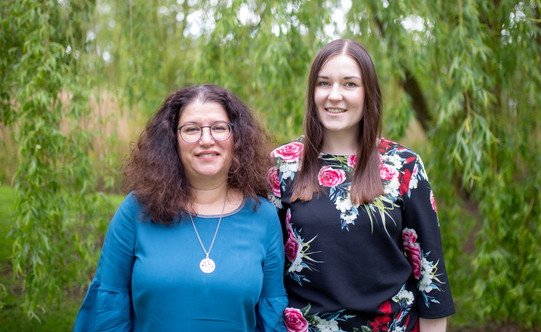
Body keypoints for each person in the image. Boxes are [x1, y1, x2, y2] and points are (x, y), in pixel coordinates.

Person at [268, 39, 455, 331]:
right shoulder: (282, 166)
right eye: (324, 83)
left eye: (350, 84)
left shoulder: (403, 167)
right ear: (312, 92)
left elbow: (431, 279)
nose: (334, 95)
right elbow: (267, 274)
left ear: (368, 92)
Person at [74, 84, 287, 331]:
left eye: (219, 128)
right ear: (172, 140)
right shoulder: (136, 210)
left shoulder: (263, 217)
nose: (206, 140)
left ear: (237, 138)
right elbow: (109, 311)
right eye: (191, 129)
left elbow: (271, 319)